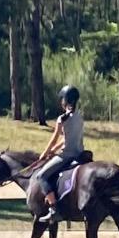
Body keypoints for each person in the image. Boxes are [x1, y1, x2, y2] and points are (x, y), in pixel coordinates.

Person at [30, 85, 85, 225]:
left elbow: (54, 138)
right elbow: (65, 140)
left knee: (41, 176)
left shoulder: (62, 119)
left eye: (62, 99)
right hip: (80, 154)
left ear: (66, 100)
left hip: (67, 156)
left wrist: (44, 153)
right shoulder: (79, 116)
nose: (61, 101)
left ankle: (54, 208)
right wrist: (53, 151)